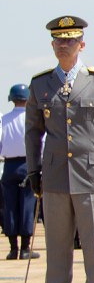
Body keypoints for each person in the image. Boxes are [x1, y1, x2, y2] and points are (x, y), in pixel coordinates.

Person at [25, 16, 94, 283]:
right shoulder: (41, 84)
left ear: (82, 44)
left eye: (69, 40)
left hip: (90, 172)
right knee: (56, 242)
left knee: (93, 242)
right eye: (58, 40)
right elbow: (33, 131)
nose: (62, 45)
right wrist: (33, 169)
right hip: (54, 174)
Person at [1, 84, 37, 260]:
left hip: (8, 166)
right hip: (28, 164)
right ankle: (25, 248)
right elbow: (41, 143)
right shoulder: (31, 119)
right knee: (27, 205)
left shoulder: (3, 120)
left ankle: (13, 248)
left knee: (10, 206)